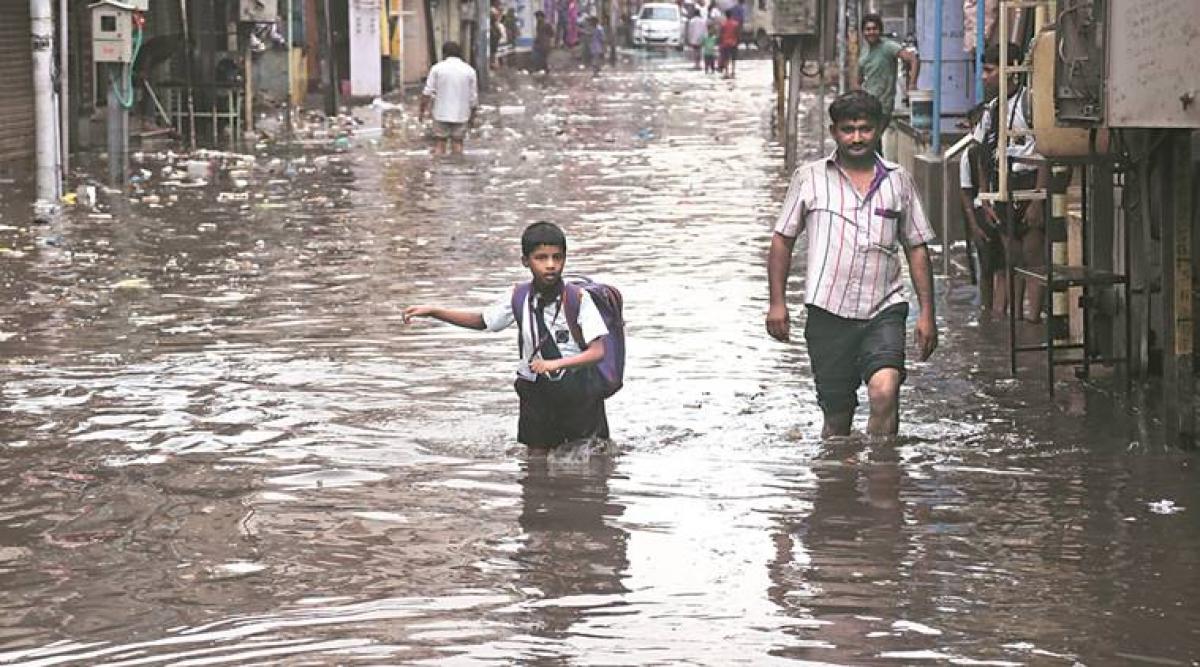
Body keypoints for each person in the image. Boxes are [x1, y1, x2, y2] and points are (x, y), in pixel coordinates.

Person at [766, 91, 938, 438]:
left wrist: (927, 314)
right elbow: (782, 240)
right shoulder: (810, 178)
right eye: (848, 129)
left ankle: (883, 483)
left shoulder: (898, 180)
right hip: (828, 312)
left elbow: (916, 247)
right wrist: (777, 304)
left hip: (884, 308)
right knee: (837, 419)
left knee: (885, 391)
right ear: (834, 132)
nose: (857, 138)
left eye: (864, 129)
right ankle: (838, 487)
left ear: (879, 130)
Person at [403, 222, 612, 448]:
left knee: (591, 459)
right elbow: (483, 321)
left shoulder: (578, 299)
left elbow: (597, 352)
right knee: (535, 460)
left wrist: (556, 364)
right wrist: (435, 312)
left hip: (579, 393)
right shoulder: (518, 296)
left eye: (557, 257)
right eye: (541, 258)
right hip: (535, 391)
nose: (550, 265)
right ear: (525, 261)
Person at [972, 42, 1046, 322]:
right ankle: (1014, 322)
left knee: (1032, 256)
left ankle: (1033, 320)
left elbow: (1045, 152)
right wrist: (985, 196)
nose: (984, 77)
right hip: (1002, 186)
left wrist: (1038, 196)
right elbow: (979, 153)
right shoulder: (992, 110)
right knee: (1012, 258)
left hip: (1028, 184)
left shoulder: (1030, 104)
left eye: (989, 70)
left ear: (1011, 68)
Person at [856, 13, 919, 128]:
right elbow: (858, 79)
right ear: (863, 32)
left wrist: (912, 84)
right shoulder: (864, 51)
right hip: (866, 104)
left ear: (880, 30)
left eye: (874, 29)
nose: (871, 32)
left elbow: (913, 59)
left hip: (883, 106)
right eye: (868, 29)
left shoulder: (888, 46)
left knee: (874, 136)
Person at [419, 41, 479, 156]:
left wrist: (422, 111)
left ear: (444, 54)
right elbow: (473, 98)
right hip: (461, 114)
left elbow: (427, 92)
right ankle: (457, 168)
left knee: (440, 143)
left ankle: (440, 170)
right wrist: (472, 117)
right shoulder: (469, 71)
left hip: (441, 113)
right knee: (458, 143)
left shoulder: (437, 69)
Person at [718, 9, 740, 78]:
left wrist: (720, 43)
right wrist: (738, 41)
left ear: (726, 16)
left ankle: (727, 72)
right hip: (733, 43)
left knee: (726, 58)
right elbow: (737, 34)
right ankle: (733, 71)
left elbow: (721, 34)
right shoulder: (736, 24)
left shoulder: (723, 24)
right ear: (731, 15)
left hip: (725, 43)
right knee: (733, 58)